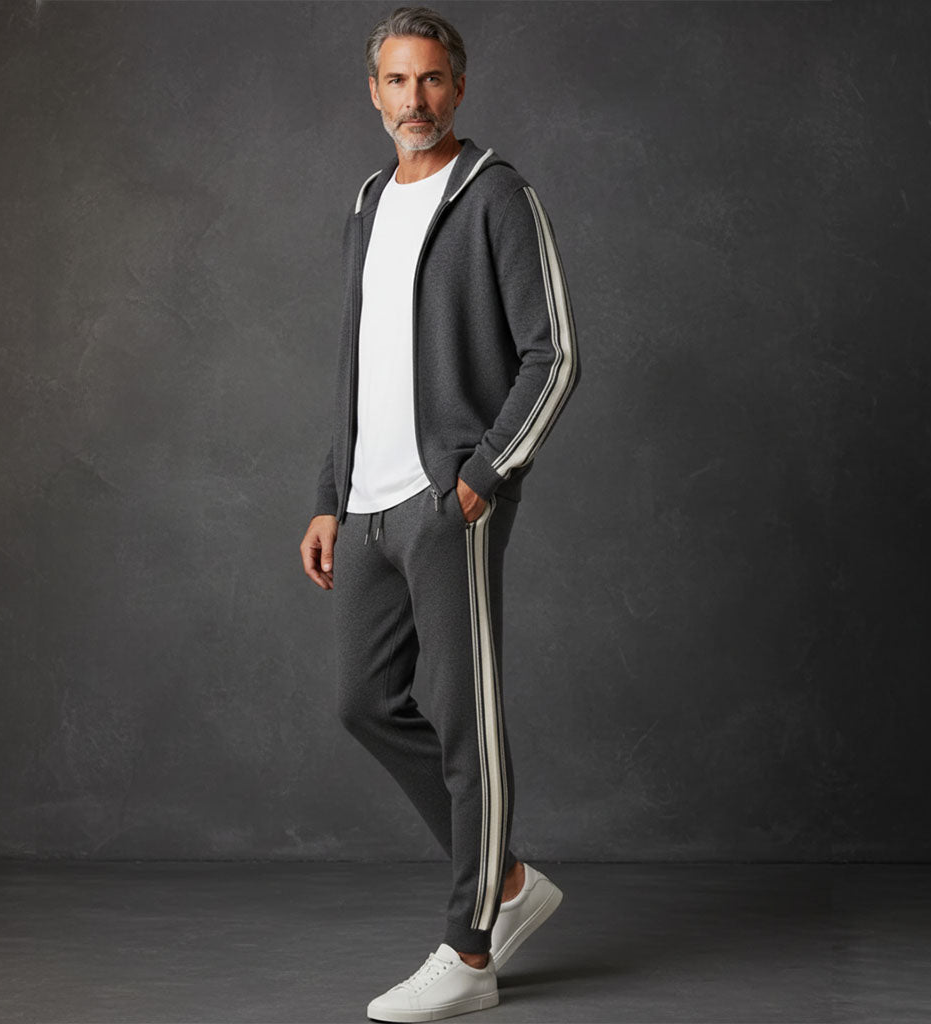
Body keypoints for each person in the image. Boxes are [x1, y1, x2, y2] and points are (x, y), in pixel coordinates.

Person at [299, 6, 580, 1020]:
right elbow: (357, 361)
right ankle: (506, 879)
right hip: (365, 505)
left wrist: (481, 478)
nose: (413, 99)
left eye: (430, 80)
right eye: (396, 80)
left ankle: (469, 952)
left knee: (468, 724)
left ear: (457, 88)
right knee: (364, 702)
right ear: (372, 93)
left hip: (444, 503)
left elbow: (554, 355)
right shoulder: (369, 200)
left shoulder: (497, 194)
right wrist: (328, 496)